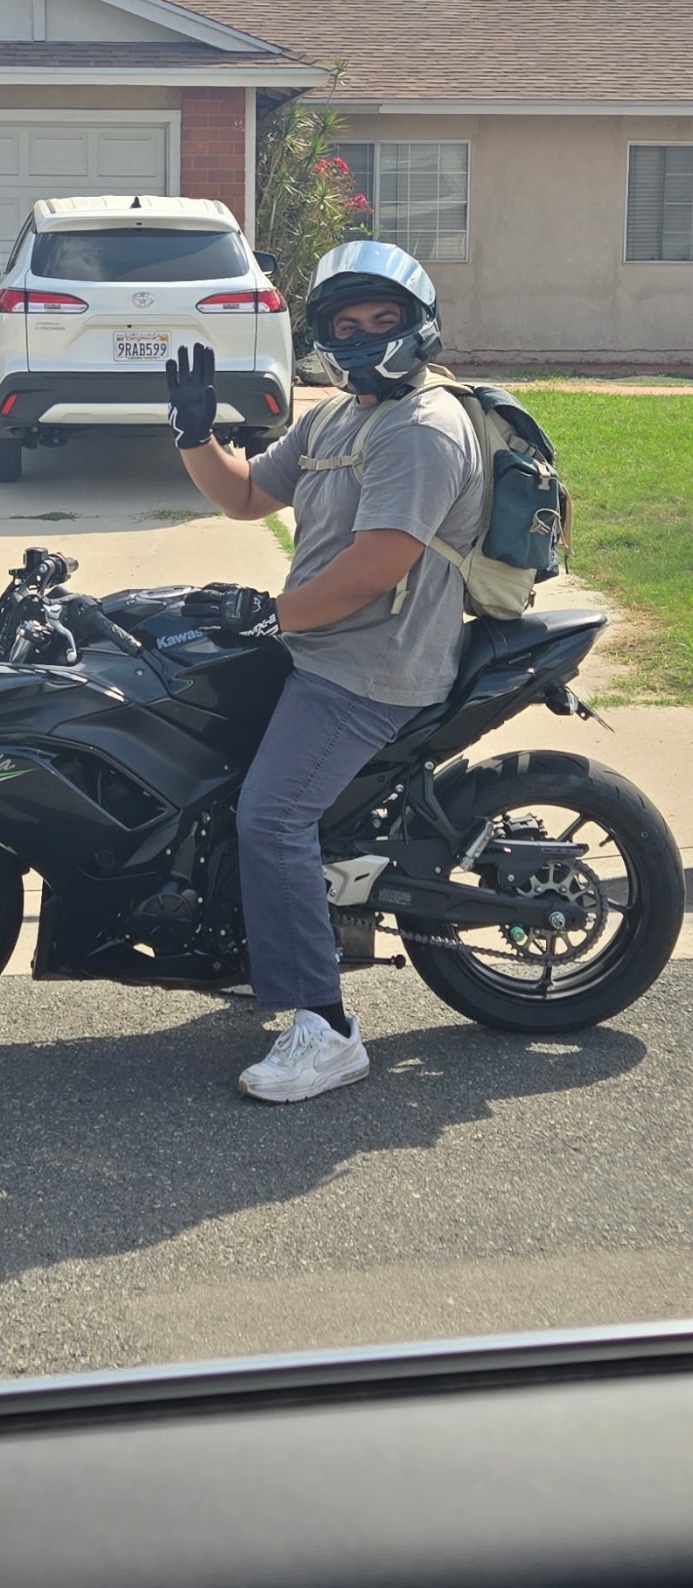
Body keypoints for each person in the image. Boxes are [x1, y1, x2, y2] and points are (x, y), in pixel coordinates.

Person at [165, 241, 485, 1104]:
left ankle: (326, 1027)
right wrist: (195, 433)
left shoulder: (422, 429)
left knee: (271, 816)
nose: (364, 336)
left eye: (383, 319)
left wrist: (270, 611)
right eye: (347, 325)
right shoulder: (336, 416)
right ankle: (257, 938)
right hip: (316, 642)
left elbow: (375, 567)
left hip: (370, 663)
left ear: (420, 324)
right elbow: (244, 497)